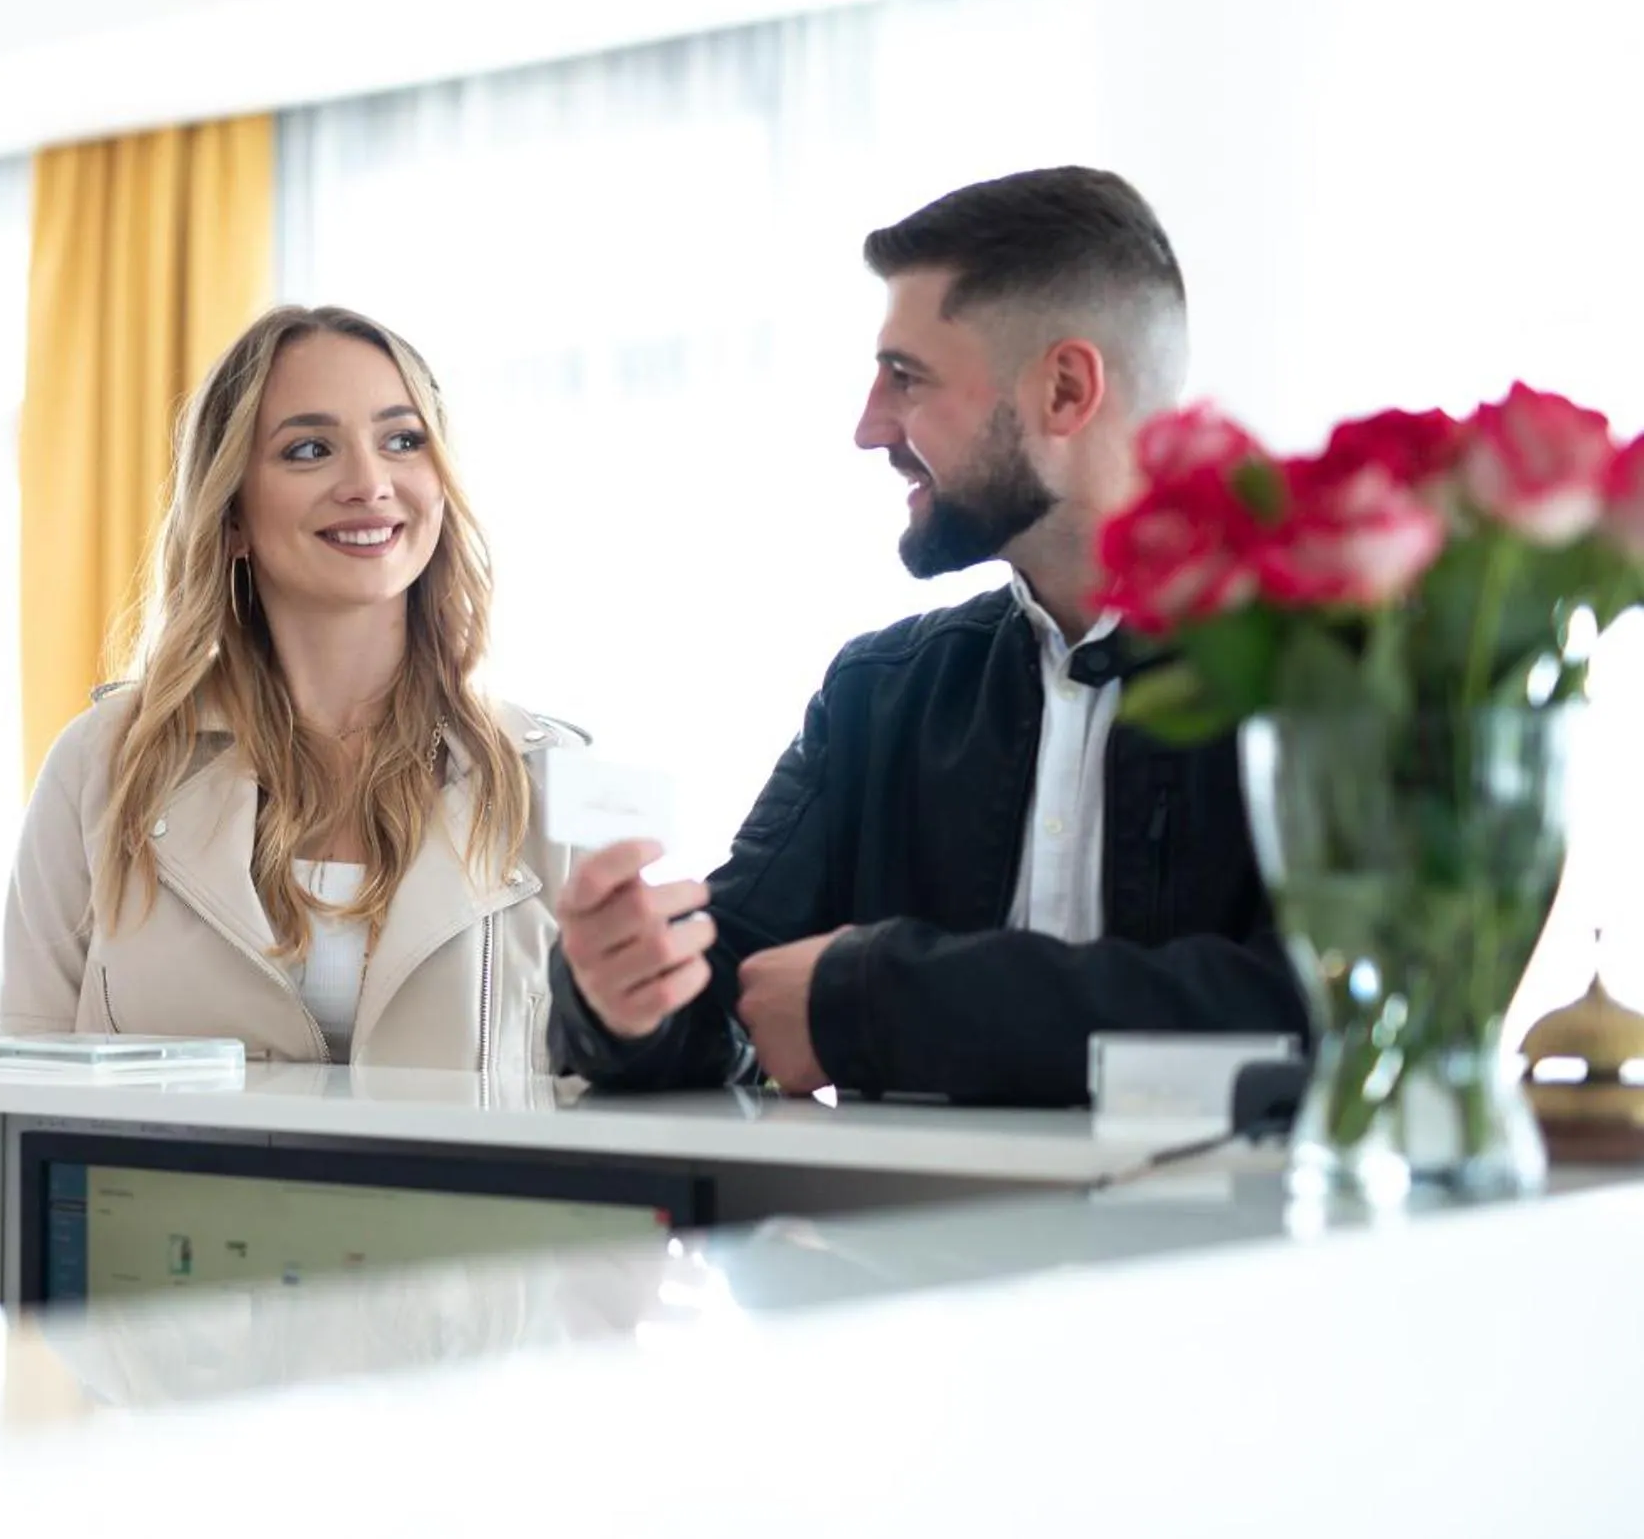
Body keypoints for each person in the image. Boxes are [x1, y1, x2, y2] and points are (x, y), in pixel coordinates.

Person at [547, 166, 1308, 1106]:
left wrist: (881, 997)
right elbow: (733, 993)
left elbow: (1328, 1010)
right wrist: (621, 995)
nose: (869, 428)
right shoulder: (879, 693)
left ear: (1065, 390)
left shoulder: (1329, 676)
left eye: (905, 377)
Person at [0, 305, 581, 1072]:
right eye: (309, 450)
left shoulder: (551, 781)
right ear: (232, 513)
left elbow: (622, 1090)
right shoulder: (101, 766)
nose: (370, 483)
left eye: (403, 440)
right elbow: (23, 1075)